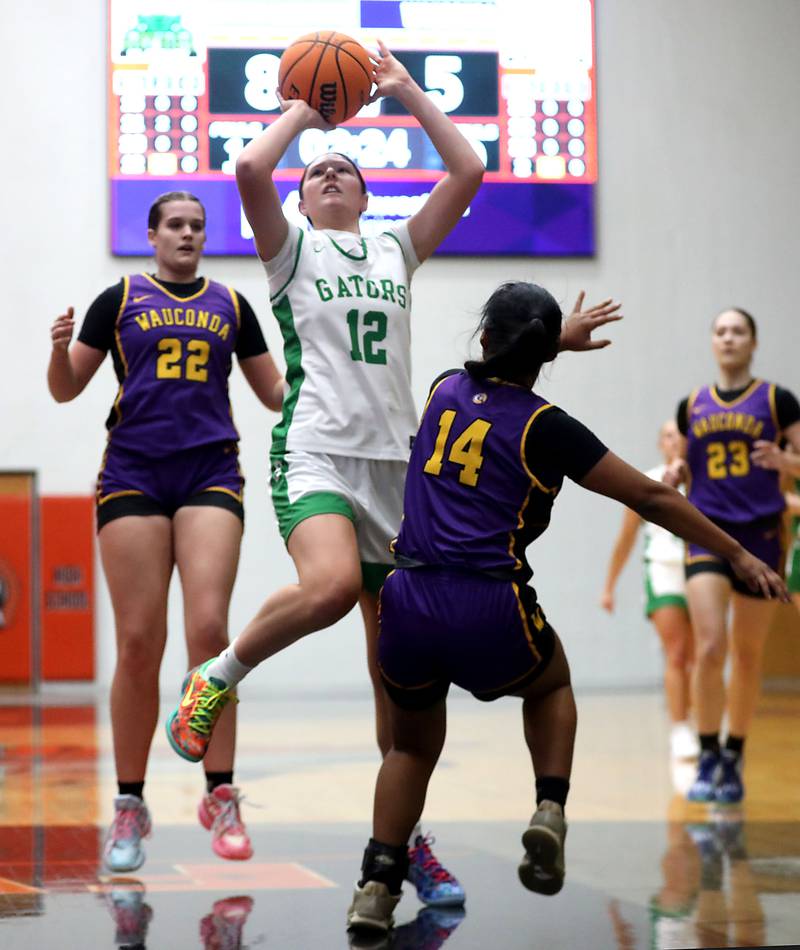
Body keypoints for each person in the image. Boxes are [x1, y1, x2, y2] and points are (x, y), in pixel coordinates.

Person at [340, 282, 787, 936]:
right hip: (486, 599)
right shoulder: (549, 428)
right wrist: (740, 555)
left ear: (484, 337)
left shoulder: (441, 390)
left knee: (408, 749)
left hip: (405, 599)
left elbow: (503, 368)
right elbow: (652, 499)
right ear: (544, 353)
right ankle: (549, 808)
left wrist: (553, 342)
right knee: (550, 683)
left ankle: (375, 890)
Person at [47, 191, 284, 872]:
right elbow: (66, 390)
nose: (187, 233)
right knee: (137, 640)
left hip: (211, 470)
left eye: (197, 225)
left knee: (210, 632)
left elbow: (273, 392)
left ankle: (221, 793)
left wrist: (320, 364)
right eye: (175, 224)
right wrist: (59, 352)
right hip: (133, 475)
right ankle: (130, 802)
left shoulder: (232, 305)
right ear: (152, 235)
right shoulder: (119, 298)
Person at [666, 307, 800, 804]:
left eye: (738, 331)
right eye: (720, 331)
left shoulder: (777, 400)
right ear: (712, 342)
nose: (728, 338)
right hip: (707, 531)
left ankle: (735, 752)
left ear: (753, 342)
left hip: (763, 537)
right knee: (709, 646)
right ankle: (707, 752)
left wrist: (787, 460)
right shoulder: (692, 405)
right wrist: (674, 474)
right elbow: (681, 463)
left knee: (747, 655)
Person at [601, 420, 699, 760]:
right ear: (661, 443)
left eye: (681, 435)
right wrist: (609, 586)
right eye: (669, 435)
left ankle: (700, 721)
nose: (676, 440)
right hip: (663, 570)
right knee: (676, 653)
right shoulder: (647, 482)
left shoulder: (703, 481)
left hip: (701, 572)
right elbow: (625, 541)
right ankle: (680, 727)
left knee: (700, 655)